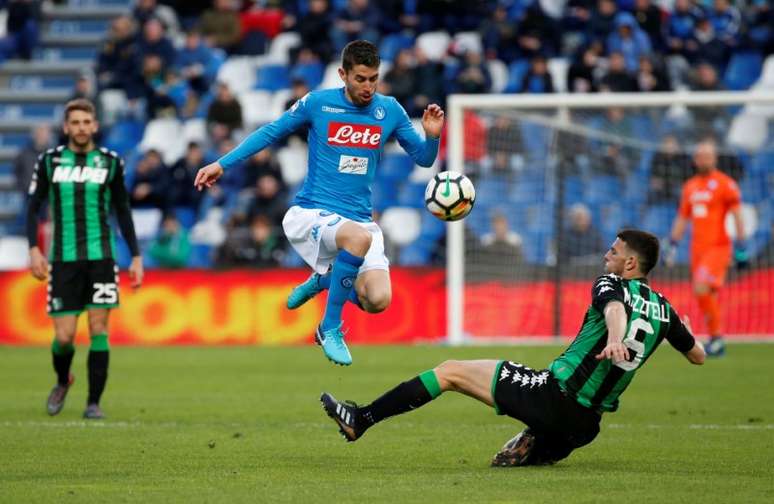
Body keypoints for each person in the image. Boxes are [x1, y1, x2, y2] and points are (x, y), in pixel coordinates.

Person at [320, 229, 705, 466]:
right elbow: (697, 355)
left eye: (614, 252)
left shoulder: (609, 284)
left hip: (557, 397)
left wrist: (617, 339)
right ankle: (536, 446)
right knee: (516, 455)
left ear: (631, 263)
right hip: (586, 427)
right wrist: (687, 331)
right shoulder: (666, 310)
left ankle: (362, 420)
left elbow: (615, 310)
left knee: (450, 371)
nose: (608, 256)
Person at [194, 40, 443, 366]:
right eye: (360, 79)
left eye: (374, 79)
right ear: (343, 74)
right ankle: (330, 327)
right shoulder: (318, 103)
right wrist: (221, 164)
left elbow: (424, 160)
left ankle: (325, 280)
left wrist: (433, 136)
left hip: (358, 219)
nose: (368, 87)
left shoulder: (390, 110)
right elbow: (270, 132)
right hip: (312, 212)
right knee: (358, 238)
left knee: (378, 299)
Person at [26, 99, 144, 420]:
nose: (80, 128)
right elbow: (33, 206)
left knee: (98, 327)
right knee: (64, 337)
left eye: (85, 122)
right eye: (74, 122)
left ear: (94, 126)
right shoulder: (49, 161)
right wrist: (33, 248)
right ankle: (64, 379)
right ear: (66, 127)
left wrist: (135, 256)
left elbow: (122, 210)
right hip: (63, 259)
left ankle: (93, 403)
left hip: (101, 257)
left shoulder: (110, 162)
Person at [666, 138, 746, 358]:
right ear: (695, 159)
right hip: (697, 250)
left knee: (702, 288)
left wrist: (741, 246)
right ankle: (716, 339)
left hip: (718, 247)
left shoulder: (725, 183)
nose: (704, 160)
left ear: (715, 159)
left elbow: (738, 214)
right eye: (701, 156)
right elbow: (682, 217)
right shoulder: (690, 186)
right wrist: (672, 244)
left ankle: (717, 339)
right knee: (704, 293)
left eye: (708, 156)